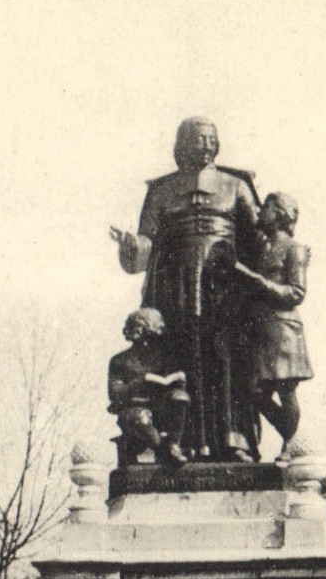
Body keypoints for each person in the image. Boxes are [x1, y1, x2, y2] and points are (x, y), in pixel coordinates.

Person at [110, 117, 260, 461]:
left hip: (223, 285)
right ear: (181, 144)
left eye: (210, 139)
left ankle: (232, 439)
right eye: (196, 139)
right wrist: (132, 244)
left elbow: (256, 239)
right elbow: (146, 240)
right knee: (179, 358)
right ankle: (181, 440)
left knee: (224, 358)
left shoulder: (236, 184)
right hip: (174, 285)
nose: (204, 146)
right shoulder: (161, 190)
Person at [234, 192, 313, 447]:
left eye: (266, 207)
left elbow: (296, 292)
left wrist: (261, 283)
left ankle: (290, 443)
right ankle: (293, 440)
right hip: (260, 331)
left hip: (282, 328)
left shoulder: (294, 248)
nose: (260, 211)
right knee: (253, 392)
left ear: (280, 214)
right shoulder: (261, 250)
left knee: (285, 389)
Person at [107, 309, 189, 467]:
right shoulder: (119, 360)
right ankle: (163, 450)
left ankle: (173, 445)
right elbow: (115, 393)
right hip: (133, 409)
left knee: (180, 397)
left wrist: (179, 381)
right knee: (142, 418)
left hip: (158, 406)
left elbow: (173, 385)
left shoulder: (162, 359)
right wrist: (140, 381)